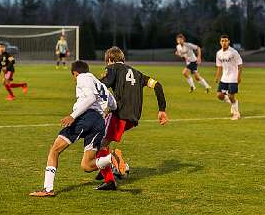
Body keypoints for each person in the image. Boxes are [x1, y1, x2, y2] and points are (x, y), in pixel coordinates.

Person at [29, 61, 120, 197]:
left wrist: (73, 116)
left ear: (75, 73)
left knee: (54, 150)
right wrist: (104, 111)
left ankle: (48, 189)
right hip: (99, 123)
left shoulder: (82, 77)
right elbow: (114, 106)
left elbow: (90, 97)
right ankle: (110, 159)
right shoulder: (102, 86)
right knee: (87, 165)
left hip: (85, 118)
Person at [96, 46, 169, 190]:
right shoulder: (137, 73)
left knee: (100, 143)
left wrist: (95, 83)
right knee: (106, 139)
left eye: (107, 62)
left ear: (110, 60)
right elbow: (157, 86)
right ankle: (105, 168)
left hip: (119, 114)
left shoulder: (112, 68)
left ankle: (110, 178)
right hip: (133, 117)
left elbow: (103, 85)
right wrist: (162, 110)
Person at [215, 35, 243, 120]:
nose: (224, 42)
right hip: (224, 78)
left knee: (231, 96)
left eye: (226, 41)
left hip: (233, 77)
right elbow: (219, 66)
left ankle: (236, 114)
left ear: (229, 42)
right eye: (222, 41)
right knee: (219, 95)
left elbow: (240, 65)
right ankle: (233, 102)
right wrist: (217, 77)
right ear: (220, 42)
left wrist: (239, 77)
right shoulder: (218, 53)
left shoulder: (233, 52)